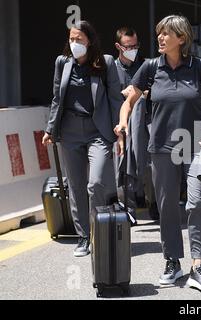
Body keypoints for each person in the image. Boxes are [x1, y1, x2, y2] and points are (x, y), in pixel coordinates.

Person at [115, 15, 201, 291]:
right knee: (166, 207)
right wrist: (123, 122)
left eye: (167, 33)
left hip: (196, 147)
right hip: (162, 148)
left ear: (182, 38)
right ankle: (172, 261)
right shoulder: (151, 68)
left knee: (197, 202)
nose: (160, 38)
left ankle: (198, 266)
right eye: (159, 33)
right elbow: (129, 103)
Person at [42, 21, 122, 257]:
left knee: (95, 182)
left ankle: (99, 231)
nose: (74, 44)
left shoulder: (105, 63)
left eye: (79, 40)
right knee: (76, 186)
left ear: (90, 41)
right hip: (70, 131)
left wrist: (119, 130)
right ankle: (84, 236)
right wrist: (50, 129)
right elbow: (57, 98)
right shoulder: (62, 63)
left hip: (98, 131)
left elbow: (115, 99)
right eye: (71, 39)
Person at [113, 27, 159, 220]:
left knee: (151, 166)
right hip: (121, 124)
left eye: (136, 45)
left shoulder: (147, 65)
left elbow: (161, 90)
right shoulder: (111, 69)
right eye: (128, 46)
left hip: (146, 122)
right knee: (123, 166)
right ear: (118, 46)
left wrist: (146, 92)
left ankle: (154, 202)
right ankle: (128, 210)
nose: (133, 49)